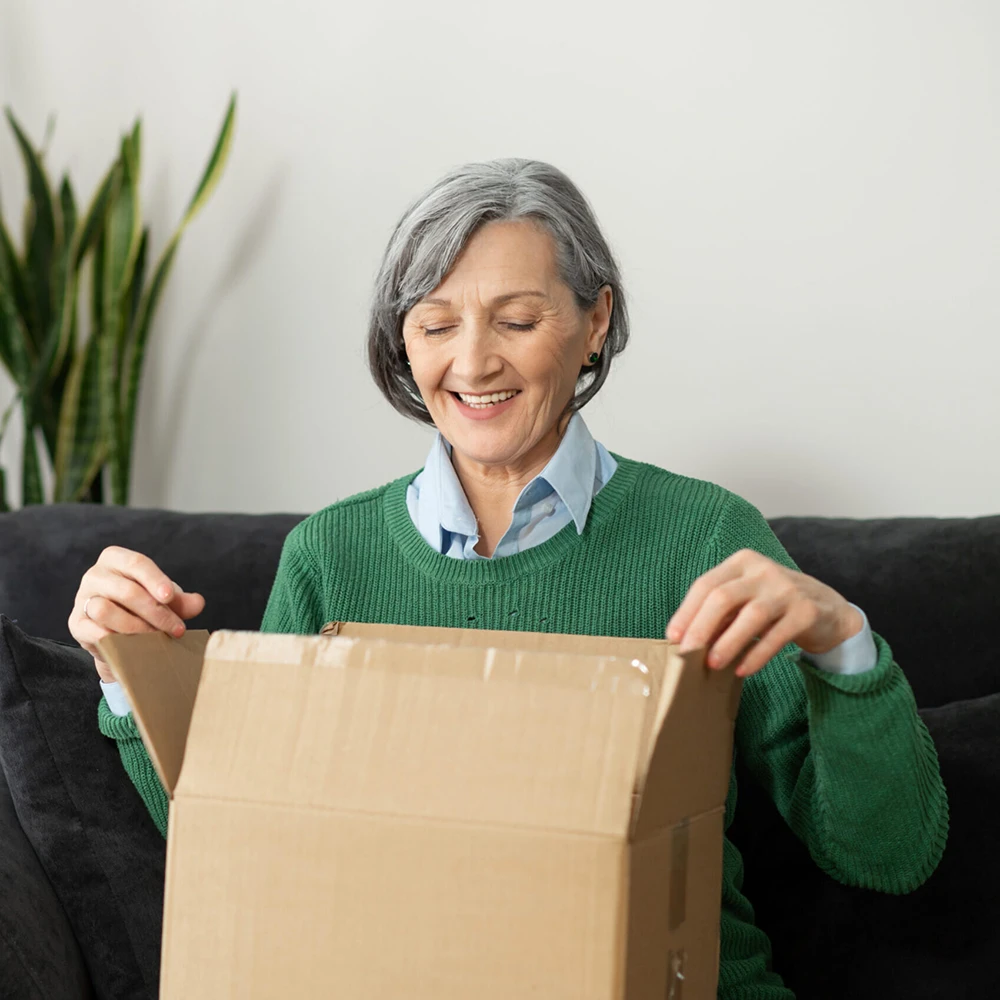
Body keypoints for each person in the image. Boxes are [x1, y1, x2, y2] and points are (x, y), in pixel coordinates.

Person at [68, 158, 947, 999]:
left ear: (595, 319)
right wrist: (128, 671)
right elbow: (241, 842)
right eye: (436, 324)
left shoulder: (705, 540)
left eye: (518, 321)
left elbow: (888, 853)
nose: (474, 363)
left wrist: (842, 646)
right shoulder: (330, 559)